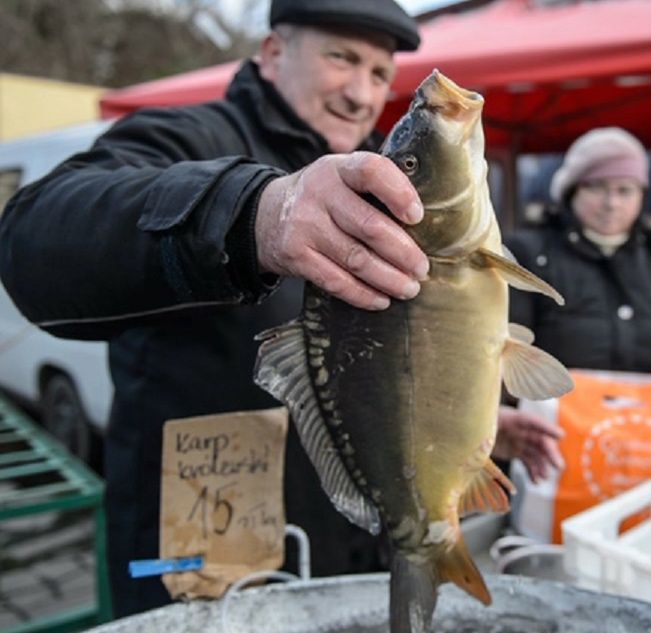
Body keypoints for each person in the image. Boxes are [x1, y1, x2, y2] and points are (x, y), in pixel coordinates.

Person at [0, 0, 561, 618]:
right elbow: (31, 239)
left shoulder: (397, 174)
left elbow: (392, 354)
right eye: (341, 57)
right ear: (272, 53)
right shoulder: (183, 136)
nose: (360, 92)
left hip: (352, 550)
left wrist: (446, 422)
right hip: (201, 555)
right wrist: (257, 213)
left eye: (379, 73)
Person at [507, 127, 651, 405]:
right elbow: (505, 339)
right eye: (596, 187)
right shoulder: (528, 254)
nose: (611, 203)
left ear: (641, 195)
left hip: (640, 425)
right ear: (571, 191)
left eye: (625, 190)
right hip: (550, 424)